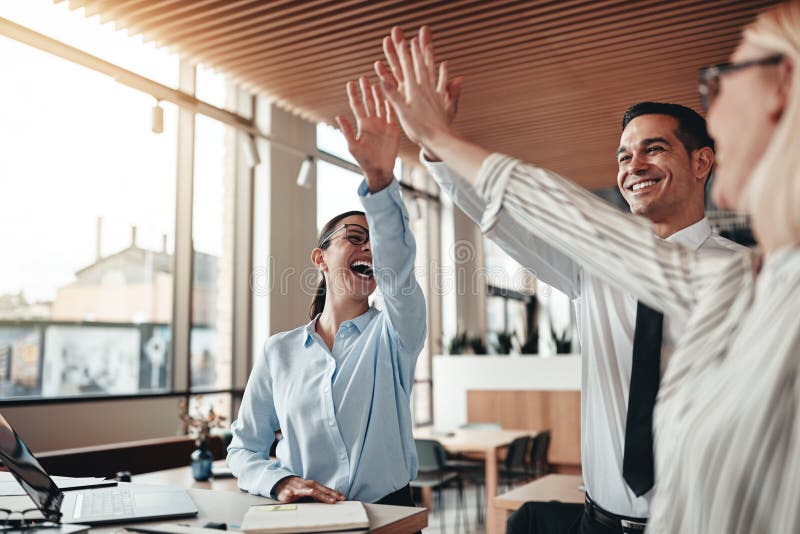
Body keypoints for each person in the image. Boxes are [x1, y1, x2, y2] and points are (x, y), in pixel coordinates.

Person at [374, 4, 800, 531]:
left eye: (724, 79)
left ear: (783, 91)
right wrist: (436, 153)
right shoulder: (742, 280)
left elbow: (579, 223)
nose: (632, 166)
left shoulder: (748, 279)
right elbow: (553, 225)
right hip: (602, 518)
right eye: (622, 156)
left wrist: (442, 140)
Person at [227, 77, 426, 507]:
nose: (369, 247)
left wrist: (379, 180)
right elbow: (243, 449)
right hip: (306, 519)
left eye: (376, 242)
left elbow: (399, 269)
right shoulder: (278, 353)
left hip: (388, 516)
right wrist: (279, 483)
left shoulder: (395, 335)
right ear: (319, 259)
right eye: (355, 238)